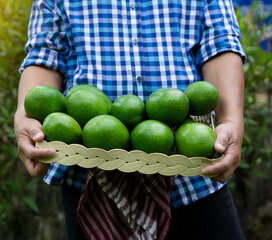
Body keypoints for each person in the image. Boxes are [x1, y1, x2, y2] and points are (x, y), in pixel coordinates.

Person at [14, 1, 246, 239]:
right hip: (89, 172)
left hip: (193, 172)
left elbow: (220, 43)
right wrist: (26, 115)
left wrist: (230, 121)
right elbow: (45, 52)